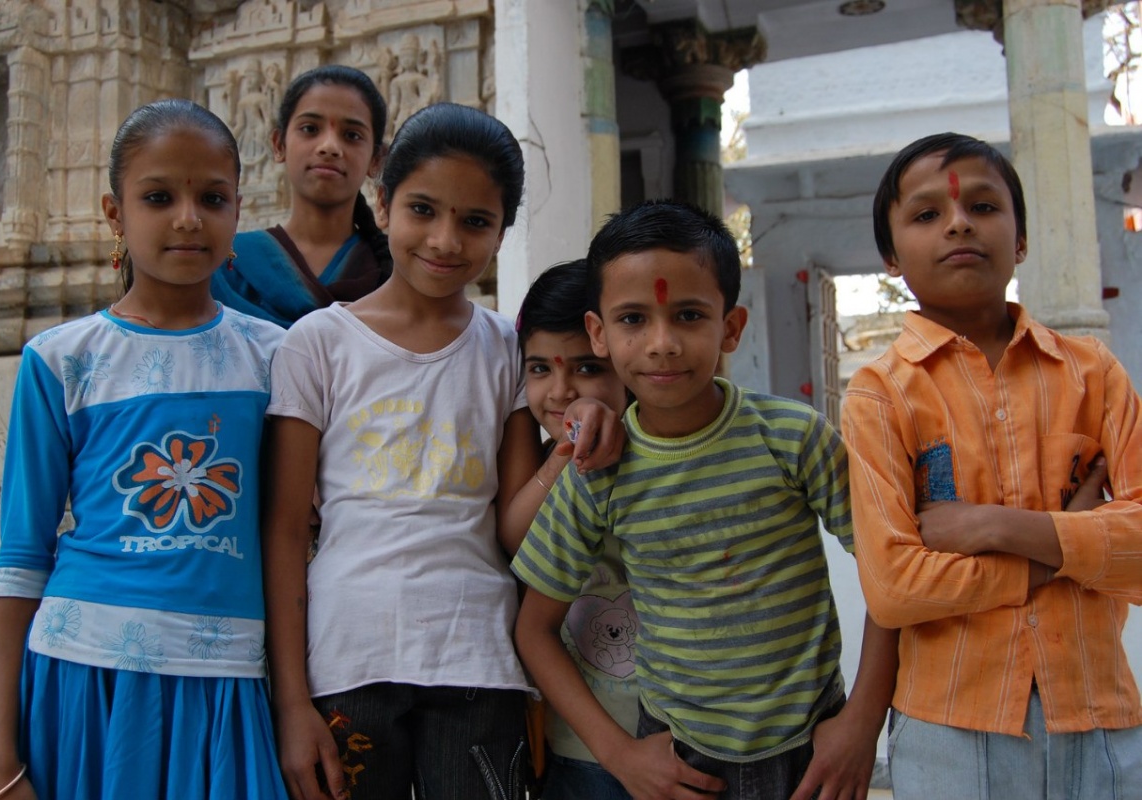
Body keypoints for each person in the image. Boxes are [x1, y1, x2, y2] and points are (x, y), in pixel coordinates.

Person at [262, 102, 619, 800]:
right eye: (422, 210)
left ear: (502, 233)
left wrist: (564, 452)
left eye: (475, 222)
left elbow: (514, 529)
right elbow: (282, 533)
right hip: (346, 660)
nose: (445, 239)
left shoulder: (503, 349)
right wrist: (290, 700)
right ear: (383, 204)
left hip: (478, 662)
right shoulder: (317, 344)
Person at [512, 199, 898, 800]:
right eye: (633, 319)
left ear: (732, 326)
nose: (662, 343)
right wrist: (620, 755)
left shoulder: (793, 439)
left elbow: (892, 574)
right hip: (679, 763)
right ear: (599, 334)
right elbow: (534, 630)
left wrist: (862, 724)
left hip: (812, 754)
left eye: (689, 315)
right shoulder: (597, 472)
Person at [0, 99, 289, 800]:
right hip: (82, 674)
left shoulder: (277, 358)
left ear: (238, 211)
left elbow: (289, 527)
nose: (188, 218)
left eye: (212, 199)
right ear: (115, 213)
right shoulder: (61, 360)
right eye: (158, 197)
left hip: (226, 674)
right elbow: (21, 558)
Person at [842, 132, 1142, 799]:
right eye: (927, 214)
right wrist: (1065, 549)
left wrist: (991, 526)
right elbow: (894, 588)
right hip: (950, 732)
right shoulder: (881, 394)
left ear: (1021, 240)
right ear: (891, 258)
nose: (958, 223)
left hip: (1100, 717)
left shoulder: (1093, 375)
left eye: (982, 206)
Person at [507, 260, 634, 800]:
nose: (560, 392)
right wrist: (563, 454)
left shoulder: (658, 449)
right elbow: (516, 538)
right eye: (540, 369)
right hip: (582, 746)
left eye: (586, 367)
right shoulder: (545, 464)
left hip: (689, 735)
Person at [212, 65, 392, 328]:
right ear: (278, 144)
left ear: (376, 160)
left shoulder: (395, 274)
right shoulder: (227, 264)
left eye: (352, 135)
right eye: (310, 129)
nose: (329, 147)